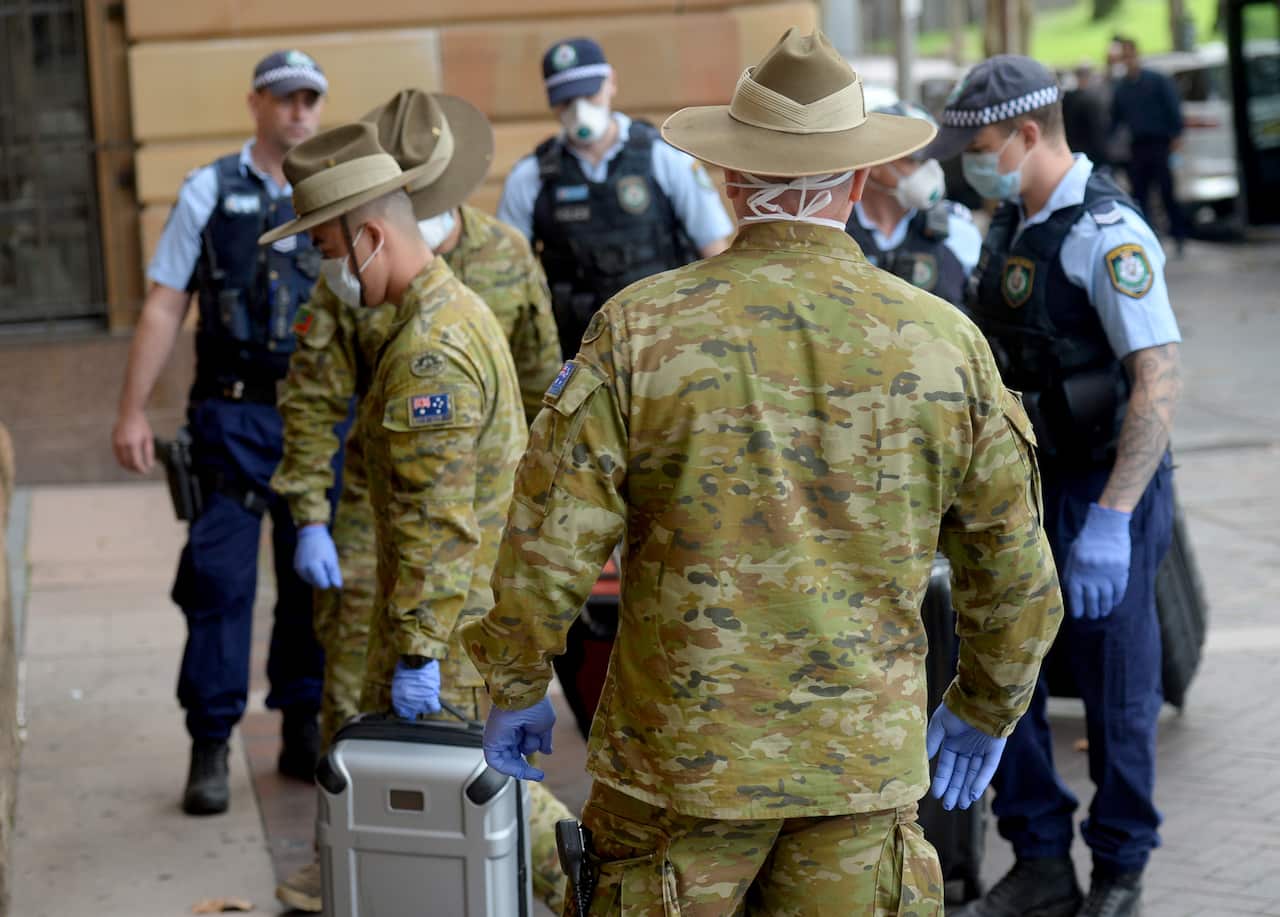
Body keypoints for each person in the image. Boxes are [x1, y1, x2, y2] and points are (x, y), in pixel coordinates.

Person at [462, 29, 1065, 915]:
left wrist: (514, 683)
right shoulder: (947, 344)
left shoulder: (639, 331)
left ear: (731, 180)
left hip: (676, 770)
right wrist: (986, 701)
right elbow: (1013, 570)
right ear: (859, 185)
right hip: (858, 771)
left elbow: (548, 539)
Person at [262, 116, 570, 915]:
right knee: (459, 809)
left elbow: (438, 519)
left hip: (451, 629)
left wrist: (420, 649)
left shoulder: (430, 350)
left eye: (329, 254)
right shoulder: (443, 317)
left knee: (489, 796)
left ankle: (608, 891)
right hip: (453, 616)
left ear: (368, 236)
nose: (328, 273)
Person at [924, 54, 1183, 917]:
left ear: (1030, 133)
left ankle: (1120, 868)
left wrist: (1113, 516)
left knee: (1116, 686)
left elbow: (1156, 379)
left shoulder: (1106, 234)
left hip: (1103, 487)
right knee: (1003, 668)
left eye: (984, 144)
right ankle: (1039, 857)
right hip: (1023, 492)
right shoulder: (1009, 220)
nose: (973, 160)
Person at [109, 49, 329, 817]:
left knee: (313, 581)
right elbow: (167, 302)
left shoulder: (331, 192)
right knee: (220, 583)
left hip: (313, 417)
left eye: (309, 98)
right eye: (284, 98)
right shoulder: (211, 187)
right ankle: (211, 741)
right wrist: (133, 409)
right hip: (230, 416)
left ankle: (304, 722)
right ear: (256, 104)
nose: (298, 111)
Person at [497, 36, 734, 358]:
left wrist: (719, 332)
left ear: (611, 83)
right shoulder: (531, 178)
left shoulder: (662, 158)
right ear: (551, 103)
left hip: (668, 342)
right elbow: (505, 273)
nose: (579, 110)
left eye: (589, 94)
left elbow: (714, 253)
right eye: (567, 101)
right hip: (579, 350)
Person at [844, 101, 982, 308]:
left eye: (932, 158)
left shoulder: (957, 231)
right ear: (874, 164)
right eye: (914, 160)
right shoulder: (837, 228)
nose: (929, 170)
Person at [1111, 37, 1188, 252]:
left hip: (1159, 144)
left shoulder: (1156, 81)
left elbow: (1173, 109)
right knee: (1140, 194)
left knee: (1167, 192)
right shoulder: (1122, 87)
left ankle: (1179, 236)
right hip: (1138, 146)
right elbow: (1115, 118)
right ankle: (1146, 236)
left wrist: (1176, 135)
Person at [1062, 64, 1112, 171]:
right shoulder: (1090, 100)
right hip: (1090, 155)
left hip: (1072, 152)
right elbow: (1097, 131)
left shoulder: (1067, 98)